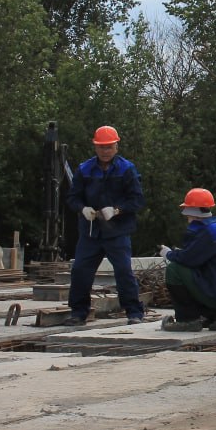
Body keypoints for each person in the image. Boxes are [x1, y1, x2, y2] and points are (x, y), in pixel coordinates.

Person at [64, 125, 146, 326]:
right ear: (95, 147)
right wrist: (82, 209)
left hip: (117, 230)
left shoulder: (127, 169)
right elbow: (72, 197)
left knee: (123, 271)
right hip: (91, 231)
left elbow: (137, 200)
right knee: (81, 270)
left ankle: (134, 312)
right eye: (101, 147)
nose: (105, 151)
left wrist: (117, 210)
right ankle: (78, 312)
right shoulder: (85, 169)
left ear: (116, 146)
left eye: (109, 147)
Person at [158, 188, 216, 332]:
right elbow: (198, 257)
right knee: (186, 271)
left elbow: (187, 260)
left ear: (190, 212)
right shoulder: (215, 229)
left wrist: (168, 254)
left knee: (174, 270)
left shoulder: (206, 232)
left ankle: (187, 320)